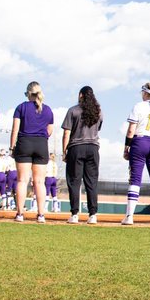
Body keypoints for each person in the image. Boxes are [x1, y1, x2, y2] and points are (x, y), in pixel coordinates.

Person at [123, 82, 150, 225]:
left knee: (135, 179)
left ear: (144, 92)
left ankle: (129, 216)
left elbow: (131, 130)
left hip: (140, 142)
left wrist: (126, 147)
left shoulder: (138, 106)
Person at [10, 81, 54, 223]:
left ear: (28, 93)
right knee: (40, 182)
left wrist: (12, 146)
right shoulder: (47, 110)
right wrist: (41, 137)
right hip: (41, 144)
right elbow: (50, 130)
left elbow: (15, 129)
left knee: (22, 180)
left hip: (24, 143)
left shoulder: (21, 107)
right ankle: (41, 214)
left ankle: (20, 213)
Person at [61, 85, 103, 224]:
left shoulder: (73, 110)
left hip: (76, 148)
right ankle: (93, 214)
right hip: (93, 148)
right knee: (91, 182)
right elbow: (99, 128)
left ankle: (74, 214)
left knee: (74, 181)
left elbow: (66, 133)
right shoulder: (98, 112)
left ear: (80, 95)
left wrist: (64, 151)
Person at [45, 143, 61, 214]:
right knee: (54, 194)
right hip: (54, 179)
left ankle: (45, 207)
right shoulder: (55, 164)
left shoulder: (48, 163)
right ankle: (56, 208)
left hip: (48, 178)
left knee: (47, 193)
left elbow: (45, 171)